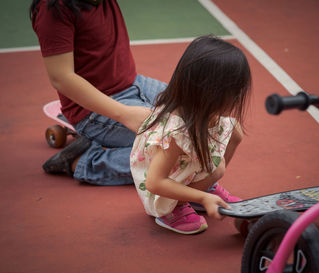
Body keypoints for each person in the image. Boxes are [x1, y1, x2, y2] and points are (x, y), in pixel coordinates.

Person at [30, 0, 166, 185]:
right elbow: (61, 77)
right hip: (92, 112)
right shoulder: (54, 9)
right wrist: (125, 114)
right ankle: (85, 162)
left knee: (200, 115)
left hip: (135, 84)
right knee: (176, 149)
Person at [130, 35, 252, 234]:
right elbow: (154, 182)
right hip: (161, 190)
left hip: (188, 167)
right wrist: (202, 198)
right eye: (234, 92)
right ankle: (175, 207)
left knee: (235, 133)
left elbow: (234, 137)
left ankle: (204, 187)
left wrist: (209, 182)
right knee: (217, 168)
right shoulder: (176, 133)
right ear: (208, 92)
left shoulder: (210, 113)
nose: (238, 97)